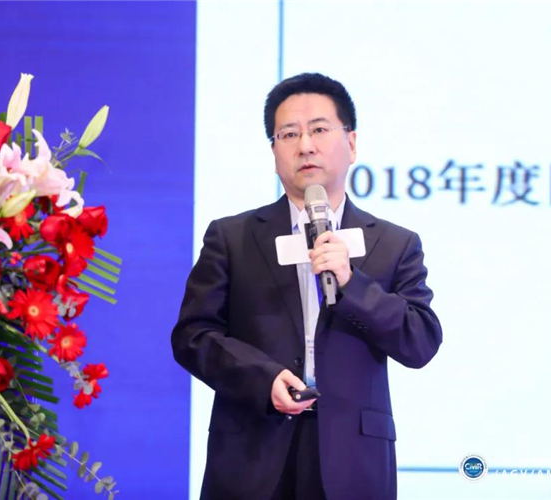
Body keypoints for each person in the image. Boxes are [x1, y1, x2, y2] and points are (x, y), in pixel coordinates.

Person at [171, 73, 442, 500]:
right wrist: (262, 378)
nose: (305, 145)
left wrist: (352, 284)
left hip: (353, 458)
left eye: (319, 129)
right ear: (274, 151)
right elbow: (193, 336)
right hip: (252, 451)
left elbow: (420, 341)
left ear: (351, 143)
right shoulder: (232, 237)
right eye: (289, 134)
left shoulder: (395, 243)